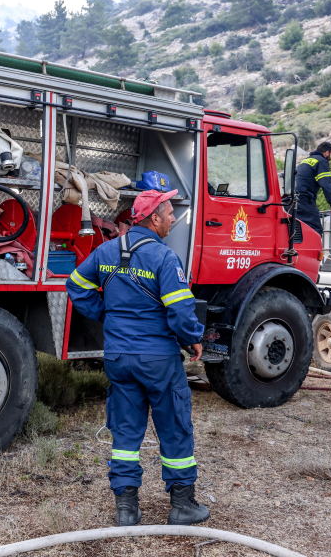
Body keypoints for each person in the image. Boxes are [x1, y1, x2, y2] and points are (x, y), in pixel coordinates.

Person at [66, 189, 208, 527]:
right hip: (159, 360)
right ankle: (183, 506)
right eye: (170, 213)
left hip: (118, 357)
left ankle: (126, 510)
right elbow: (180, 313)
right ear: (154, 218)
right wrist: (193, 341)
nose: (174, 218)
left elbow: (76, 286)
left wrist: (108, 315)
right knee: (174, 428)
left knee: (126, 434)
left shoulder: (105, 251)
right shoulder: (164, 258)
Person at [295, 142, 331, 235]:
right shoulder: (321, 161)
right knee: (314, 230)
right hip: (303, 199)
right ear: (326, 153)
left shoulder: (306, 161)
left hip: (291, 200)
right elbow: (327, 185)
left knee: (297, 230)